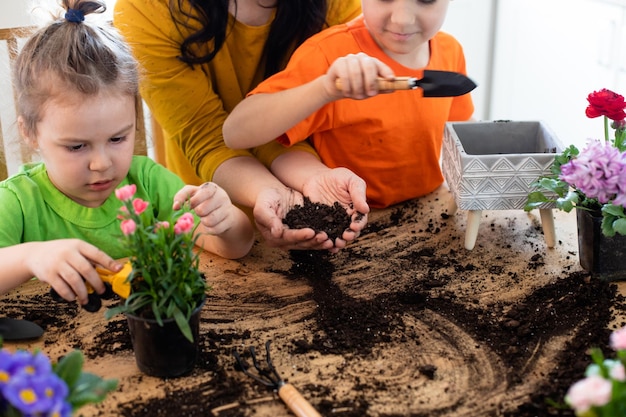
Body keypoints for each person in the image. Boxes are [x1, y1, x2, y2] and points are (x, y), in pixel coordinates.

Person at [0, 0, 254, 306]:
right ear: (29, 132)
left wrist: (225, 221)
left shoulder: (147, 182)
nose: (102, 163)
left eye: (118, 138)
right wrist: (30, 256)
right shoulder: (16, 201)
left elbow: (235, 247)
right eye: (77, 146)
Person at [113, 0, 370, 252]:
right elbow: (206, 135)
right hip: (209, 226)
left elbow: (293, 125)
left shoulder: (339, 6)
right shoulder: (147, 9)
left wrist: (313, 178)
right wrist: (267, 192)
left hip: (310, 180)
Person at [223, 0, 475, 208]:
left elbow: (463, 131)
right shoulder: (329, 55)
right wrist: (325, 89)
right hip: (346, 214)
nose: (402, 19)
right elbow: (235, 133)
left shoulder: (450, 52)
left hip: (427, 207)